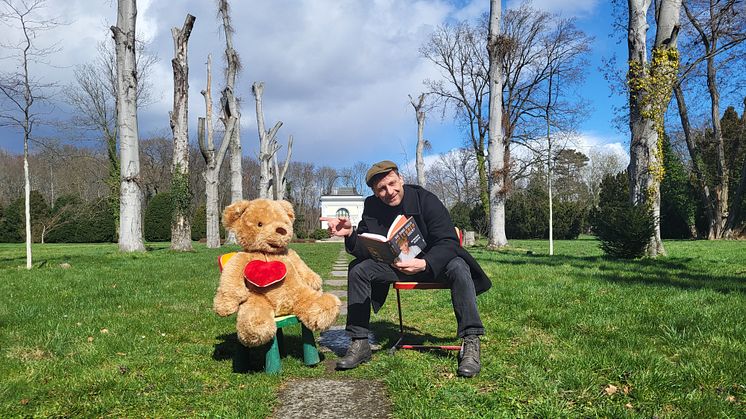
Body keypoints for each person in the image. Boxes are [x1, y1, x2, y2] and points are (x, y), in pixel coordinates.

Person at [320, 160, 491, 378]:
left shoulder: (426, 200)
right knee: (358, 269)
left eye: (392, 183)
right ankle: (360, 342)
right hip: (396, 265)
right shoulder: (372, 206)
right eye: (381, 189)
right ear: (373, 191)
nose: (389, 192)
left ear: (401, 179)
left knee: (459, 265)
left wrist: (424, 263)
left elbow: (448, 241)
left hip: (434, 264)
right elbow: (367, 246)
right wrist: (351, 235)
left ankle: (471, 341)